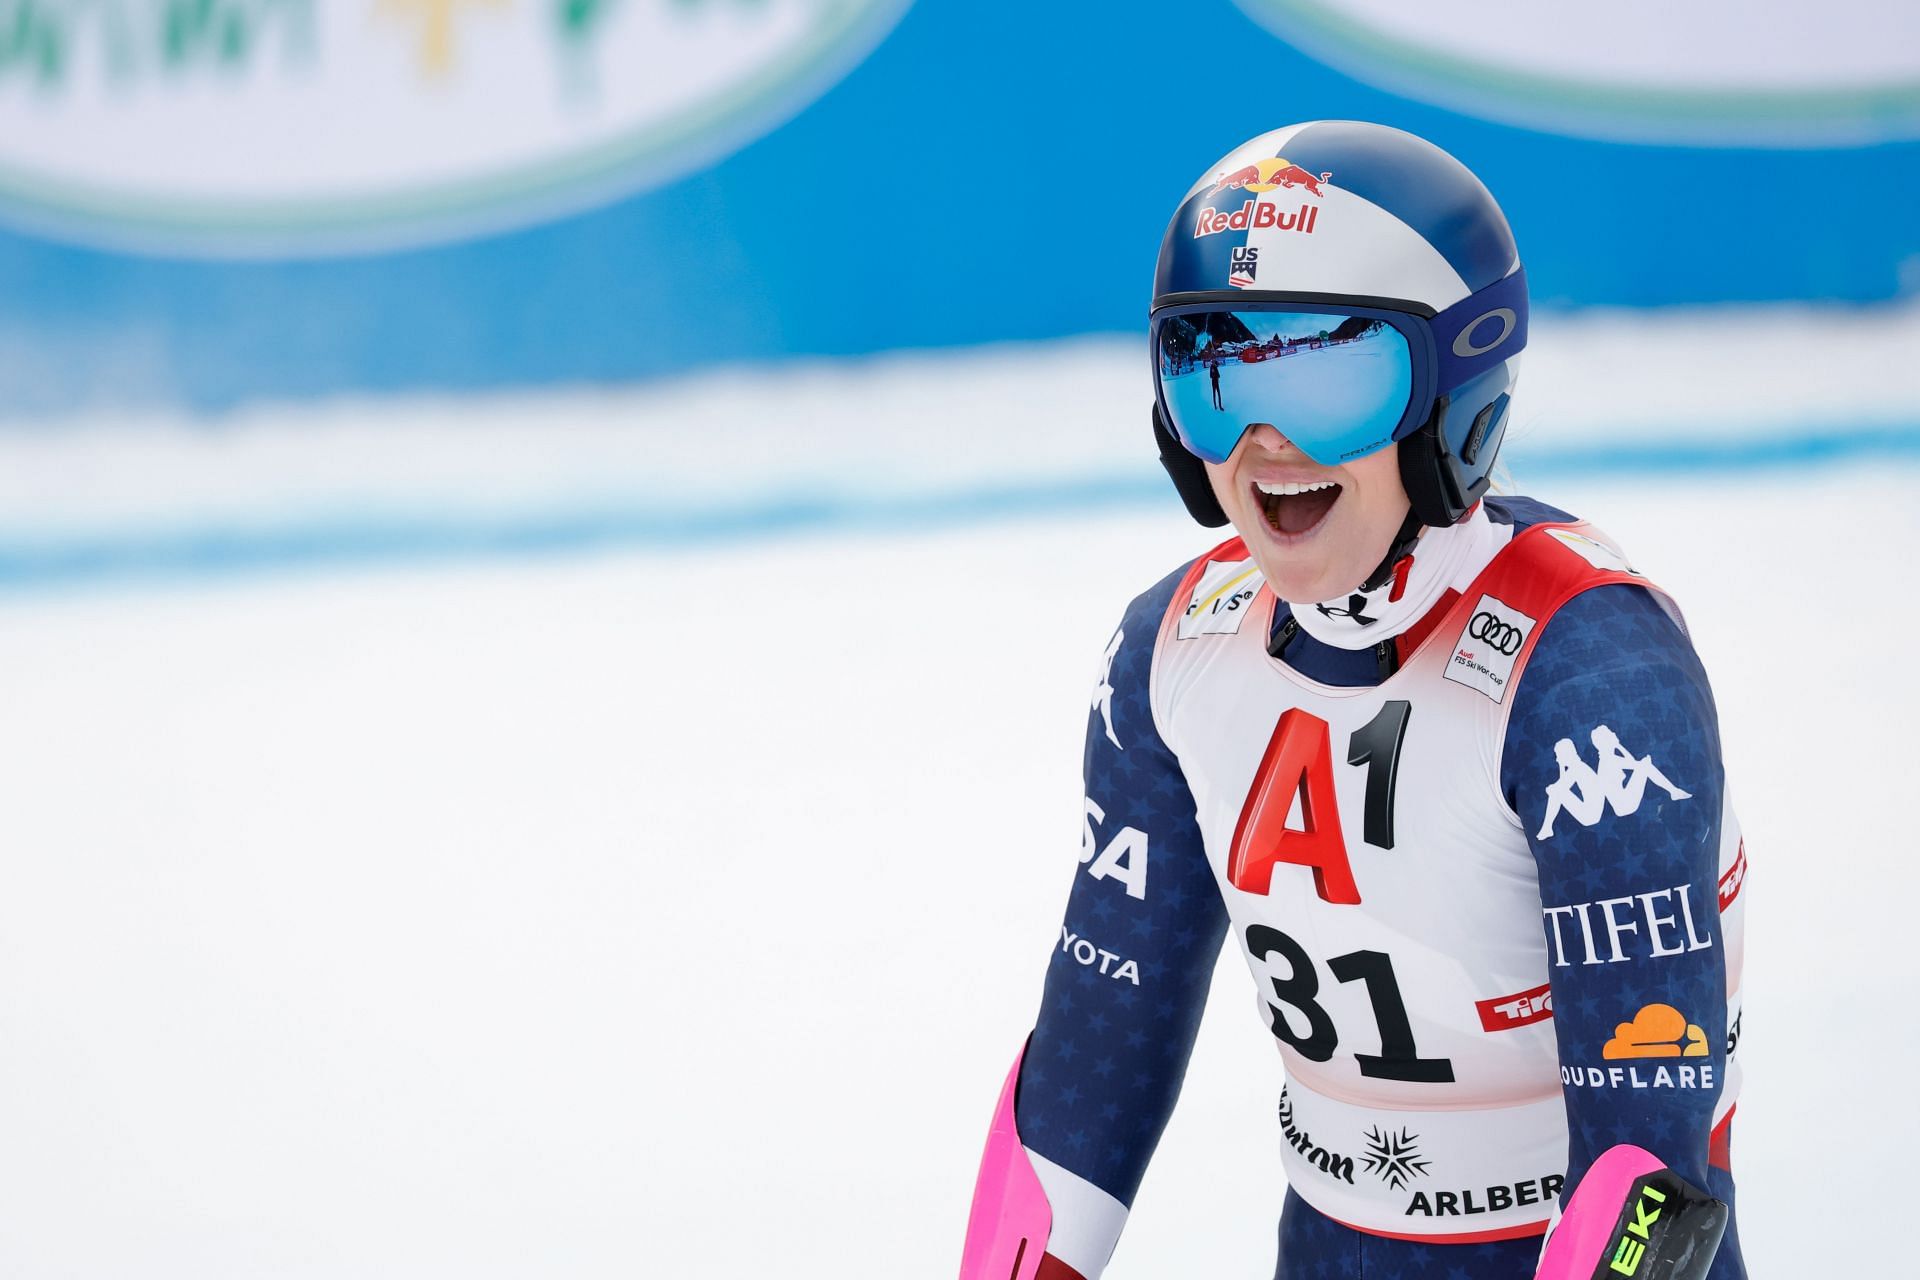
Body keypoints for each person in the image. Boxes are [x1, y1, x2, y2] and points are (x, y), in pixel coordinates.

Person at [958, 122, 1747, 1280]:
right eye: (1212, 373)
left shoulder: (1592, 677)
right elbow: (1090, 1072)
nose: (1264, 445)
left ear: (1453, 395)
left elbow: (1649, 1173)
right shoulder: (1171, 651)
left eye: (1328, 376)